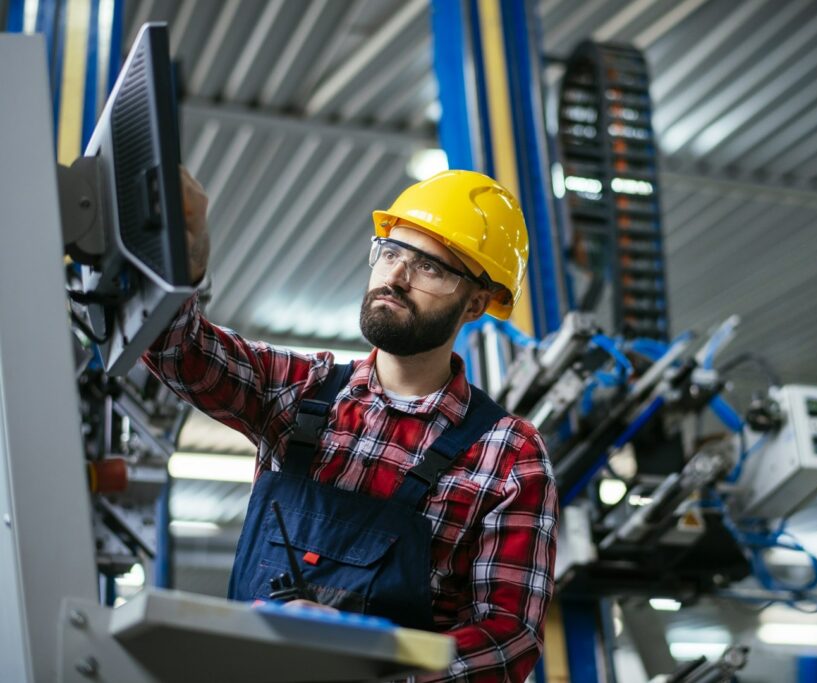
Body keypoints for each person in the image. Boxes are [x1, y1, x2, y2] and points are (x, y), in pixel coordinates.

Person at [145, 168, 558, 682]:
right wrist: (176, 265)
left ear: (475, 302)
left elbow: (508, 636)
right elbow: (177, 349)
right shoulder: (301, 389)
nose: (396, 278)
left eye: (430, 269)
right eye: (391, 252)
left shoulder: (509, 454)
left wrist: (364, 666)